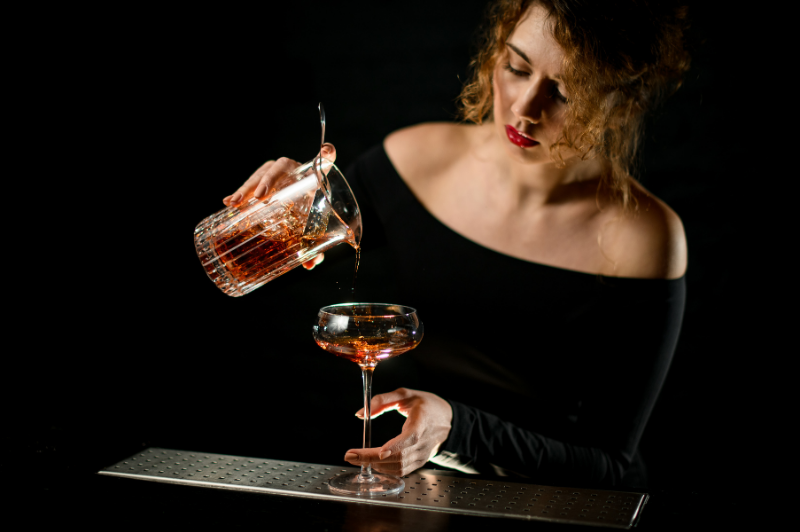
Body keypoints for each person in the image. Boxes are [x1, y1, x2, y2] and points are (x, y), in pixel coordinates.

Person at [223, 0, 690, 488]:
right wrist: (269, 212)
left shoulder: (643, 236)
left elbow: (608, 464)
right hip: (433, 491)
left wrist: (456, 429)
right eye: (517, 68)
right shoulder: (415, 160)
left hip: (564, 507)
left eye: (566, 93)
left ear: (622, 105)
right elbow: (244, 270)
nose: (525, 108)